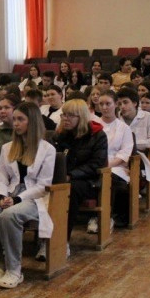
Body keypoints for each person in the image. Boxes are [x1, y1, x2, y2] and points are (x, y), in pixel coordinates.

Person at [0, 102, 56, 288]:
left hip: (34, 197)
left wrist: (18, 199)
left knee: (8, 216)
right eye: (15, 119)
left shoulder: (47, 149)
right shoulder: (7, 147)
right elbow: (1, 176)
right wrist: (2, 196)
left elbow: (43, 185)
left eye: (20, 119)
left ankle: (14, 270)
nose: (15, 123)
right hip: (9, 192)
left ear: (32, 122)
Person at [52, 99, 108, 243]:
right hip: (64, 178)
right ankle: (45, 239)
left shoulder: (98, 135)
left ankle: (62, 241)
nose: (65, 118)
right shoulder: (61, 135)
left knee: (70, 190)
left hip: (89, 182)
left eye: (70, 115)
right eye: (64, 114)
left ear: (81, 117)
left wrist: (71, 175)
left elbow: (96, 164)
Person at [95, 90, 134, 229]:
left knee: (117, 185)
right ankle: (94, 216)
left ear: (116, 104)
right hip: (95, 165)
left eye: (108, 104)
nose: (104, 107)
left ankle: (110, 217)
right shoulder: (93, 124)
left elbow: (124, 153)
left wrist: (106, 165)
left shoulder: (124, 128)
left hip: (116, 166)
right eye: (101, 104)